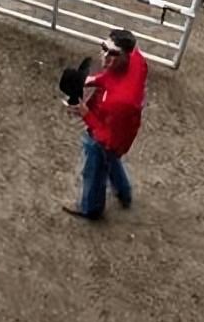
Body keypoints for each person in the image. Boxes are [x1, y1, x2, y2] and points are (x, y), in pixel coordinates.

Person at [62, 29, 147, 220]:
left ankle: (91, 208)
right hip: (121, 131)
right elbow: (111, 78)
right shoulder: (137, 60)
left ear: (126, 55)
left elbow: (105, 136)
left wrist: (85, 112)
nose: (106, 56)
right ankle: (124, 193)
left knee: (93, 168)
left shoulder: (121, 101)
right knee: (112, 160)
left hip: (108, 134)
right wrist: (90, 80)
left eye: (113, 53)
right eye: (104, 48)